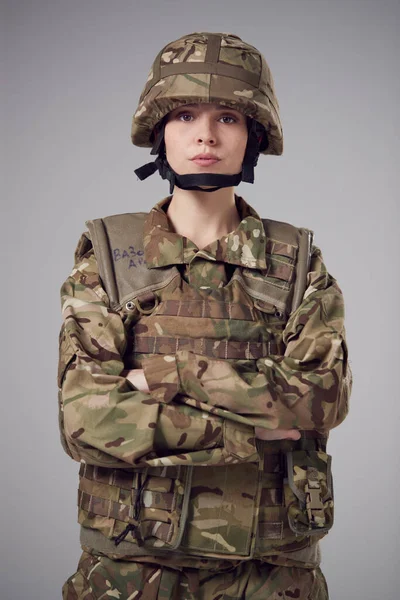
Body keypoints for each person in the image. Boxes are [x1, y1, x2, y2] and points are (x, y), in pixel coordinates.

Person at [58, 31, 351, 599]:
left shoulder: (297, 265)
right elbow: (86, 421)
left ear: (255, 135)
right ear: (159, 131)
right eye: (185, 114)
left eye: (230, 119)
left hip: (273, 575)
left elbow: (324, 398)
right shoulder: (110, 258)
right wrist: (251, 430)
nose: (205, 135)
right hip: (134, 574)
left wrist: (173, 376)